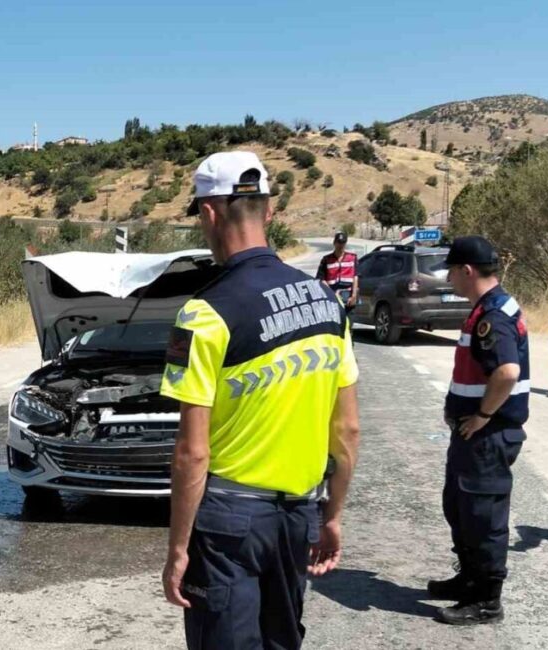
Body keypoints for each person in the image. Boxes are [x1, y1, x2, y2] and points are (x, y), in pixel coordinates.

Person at [160, 151, 361, 649]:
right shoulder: (328, 303)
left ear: (208, 213)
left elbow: (192, 452)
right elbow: (348, 431)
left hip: (228, 526)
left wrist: (178, 549)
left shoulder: (204, 314)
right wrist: (330, 516)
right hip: (298, 515)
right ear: (268, 211)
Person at [431, 236, 529, 625]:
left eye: (452, 272)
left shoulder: (493, 316)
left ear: (466, 271)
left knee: (483, 516)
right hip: (474, 436)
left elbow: (506, 372)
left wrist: (483, 415)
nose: (450, 279)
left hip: (488, 437)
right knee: (461, 507)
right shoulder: (491, 306)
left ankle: (487, 599)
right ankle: (469, 579)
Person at [316, 231, 359, 312]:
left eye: (343, 243)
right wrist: (332, 294)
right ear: (334, 243)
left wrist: (354, 295)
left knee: (348, 323)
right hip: (331, 297)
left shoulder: (352, 258)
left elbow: (355, 277)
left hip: (348, 297)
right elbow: (321, 279)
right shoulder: (326, 259)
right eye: (339, 242)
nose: (340, 245)